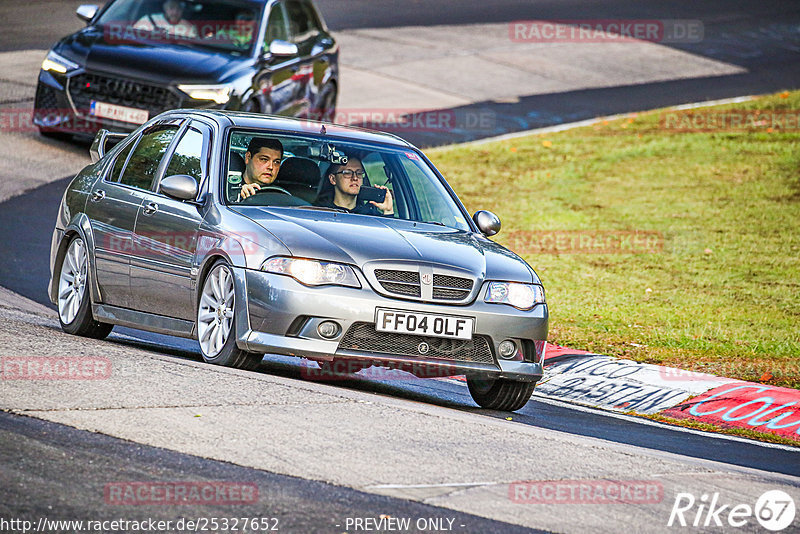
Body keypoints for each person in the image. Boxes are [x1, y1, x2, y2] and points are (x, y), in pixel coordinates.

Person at [318, 157, 393, 216]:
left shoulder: (371, 215)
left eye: (359, 173)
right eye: (347, 173)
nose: (355, 178)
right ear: (333, 179)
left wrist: (388, 211)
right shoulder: (320, 213)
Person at [229, 137, 284, 202]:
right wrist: (238, 193)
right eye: (264, 159)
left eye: (276, 162)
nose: (271, 167)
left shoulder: (282, 196)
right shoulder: (225, 189)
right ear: (248, 157)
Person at [133, 0, 198, 39]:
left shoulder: (189, 28)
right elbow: (134, 36)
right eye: (171, 8)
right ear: (165, 9)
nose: (175, 12)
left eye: (179, 9)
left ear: (182, 11)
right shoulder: (148, 20)